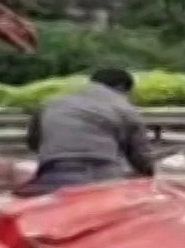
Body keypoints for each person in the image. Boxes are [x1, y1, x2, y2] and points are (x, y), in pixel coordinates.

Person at [19, 68, 155, 196]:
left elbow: (33, 142)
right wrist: (151, 177)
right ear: (121, 87)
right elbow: (141, 157)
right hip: (101, 174)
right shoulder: (124, 108)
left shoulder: (52, 103)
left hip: (52, 172)